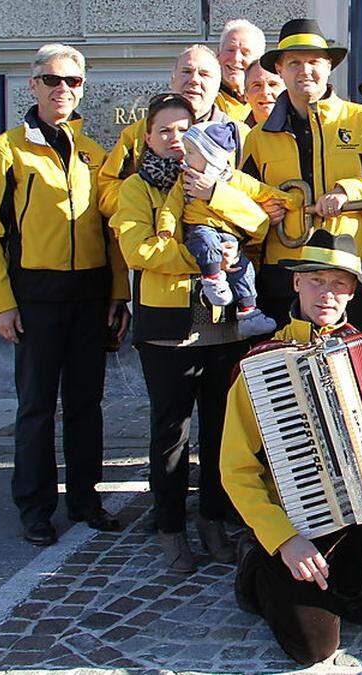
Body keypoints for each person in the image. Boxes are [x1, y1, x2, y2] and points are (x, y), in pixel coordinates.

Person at [222, 231, 362, 665]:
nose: (327, 293)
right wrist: (284, 539)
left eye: (339, 283)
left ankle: (350, 584)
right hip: (298, 518)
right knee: (312, 650)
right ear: (296, 283)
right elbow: (235, 469)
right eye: (316, 280)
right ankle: (259, 571)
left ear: (352, 292)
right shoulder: (260, 365)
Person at [111, 94, 285, 571]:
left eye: (183, 130)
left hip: (222, 329)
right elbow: (138, 251)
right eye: (164, 131)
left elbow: (260, 221)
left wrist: (214, 193)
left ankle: (212, 517)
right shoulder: (137, 188)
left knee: (219, 430)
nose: (174, 140)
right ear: (147, 137)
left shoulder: (220, 176)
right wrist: (201, 261)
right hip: (167, 329)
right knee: (171, 431)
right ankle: (169, 525)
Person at [0, 44, 127, 545]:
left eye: (73, 82)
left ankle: (85, 497)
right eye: (52, 80)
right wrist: (2, 302)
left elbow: (112, 230)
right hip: (36, 296)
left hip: (89, 294)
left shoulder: (94, 152)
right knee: (36, 405)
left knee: (87, 403)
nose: (63, 89)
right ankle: (35, 505)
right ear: (33, 84)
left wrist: (118, 294)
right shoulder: (7, 150)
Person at [242, 18, 362, 328]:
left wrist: (350, 191)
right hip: (283, 278)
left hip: (351, 275)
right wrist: (260, 214)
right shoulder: (257, 138)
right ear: (279, 68)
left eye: (314, 61)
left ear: (329, 66)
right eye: (294, 62)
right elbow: (240, 209)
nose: (305, 70)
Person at [155, 120, 291, 338]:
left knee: (243, 268)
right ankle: (212, 279)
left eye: (191, 152)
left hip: (230, 237)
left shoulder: (234, 178)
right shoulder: (185, 179)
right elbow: (171, 206)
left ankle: (249, 313)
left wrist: (291, 200)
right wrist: (166, 228)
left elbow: (261, 193)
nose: (185, 157)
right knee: (206, 244)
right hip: (201, 229)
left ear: (210, 157)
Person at [98, 44, 250, 218]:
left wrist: (216, 196)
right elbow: (105, 189)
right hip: (151, 241)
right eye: (186, 71)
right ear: (172, 79)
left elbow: (257, 199)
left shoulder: (239, 136)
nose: (194, 80)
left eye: (204, 74)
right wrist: (147, 206)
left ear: (218, 84)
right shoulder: (140, 132)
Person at [215, 19, 266, 122]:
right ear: (218, 54)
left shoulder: (268, 98)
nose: (236, 58)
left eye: (245, 52)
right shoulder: (207, 99)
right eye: (230, 50)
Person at [243, 59, 285, 126]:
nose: (265, 92)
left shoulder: (303, 131)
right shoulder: (235, 134)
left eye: (273, 84)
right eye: (257, 85)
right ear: (246, 95)